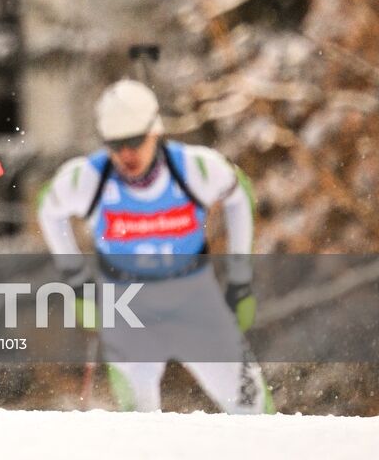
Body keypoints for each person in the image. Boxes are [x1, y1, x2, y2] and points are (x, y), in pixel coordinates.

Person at [36, 79, 272, 413]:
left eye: (134, 141)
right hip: (127, 309)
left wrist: (240, 278)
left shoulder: (196, 167)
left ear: (154, 131)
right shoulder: (87, 179)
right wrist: (78, 284)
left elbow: (239, 194)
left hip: (195, 301)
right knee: (140, 426)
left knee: (256, 411)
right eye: (115, 145)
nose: (126, 154)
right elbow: (48, 208)